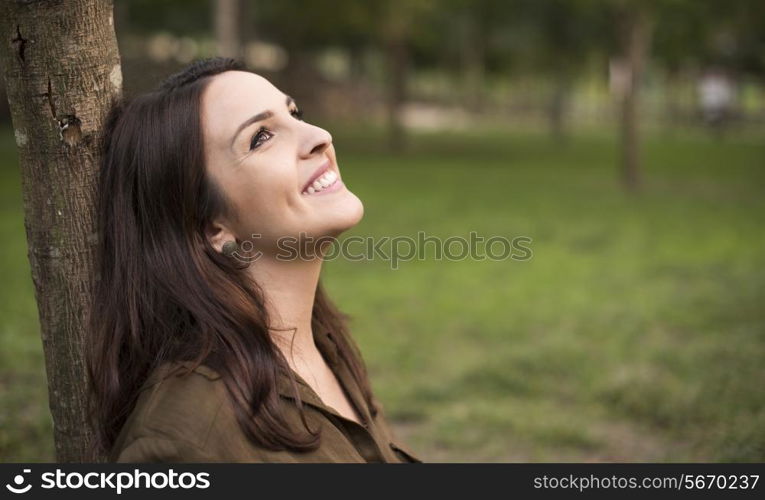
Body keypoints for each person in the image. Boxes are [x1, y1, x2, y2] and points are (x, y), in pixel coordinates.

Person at [85, 57, 421, 463]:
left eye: (294, 113)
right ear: (212, 227)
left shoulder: (319, 344)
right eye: (261, 137)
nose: (319, 136)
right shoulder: (184, 439)